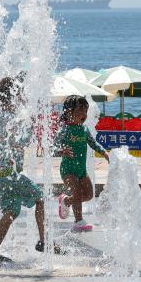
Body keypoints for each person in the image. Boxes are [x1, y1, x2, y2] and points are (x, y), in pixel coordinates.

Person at [0, 77, 59, 265]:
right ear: (15, 96)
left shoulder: (1, 118)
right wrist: (31, 126)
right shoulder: (11, 119)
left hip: (0, 174)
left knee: (10, 213)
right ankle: (43, 241)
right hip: (11, 174)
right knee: (39, 199)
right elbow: (21, 142)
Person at [56, 95, 109, 232]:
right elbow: (52, 146)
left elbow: (93, 143)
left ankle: (66, 201)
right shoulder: (64, 130)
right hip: (68, 169)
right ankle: (78, 221)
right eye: (80, 110)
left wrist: (104, 153)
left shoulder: (84, 130)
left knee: (89, 195)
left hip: (81, 170)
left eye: (86, 111)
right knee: (78, 194)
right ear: (68, 112)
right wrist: (61, 150)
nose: (84, 114)